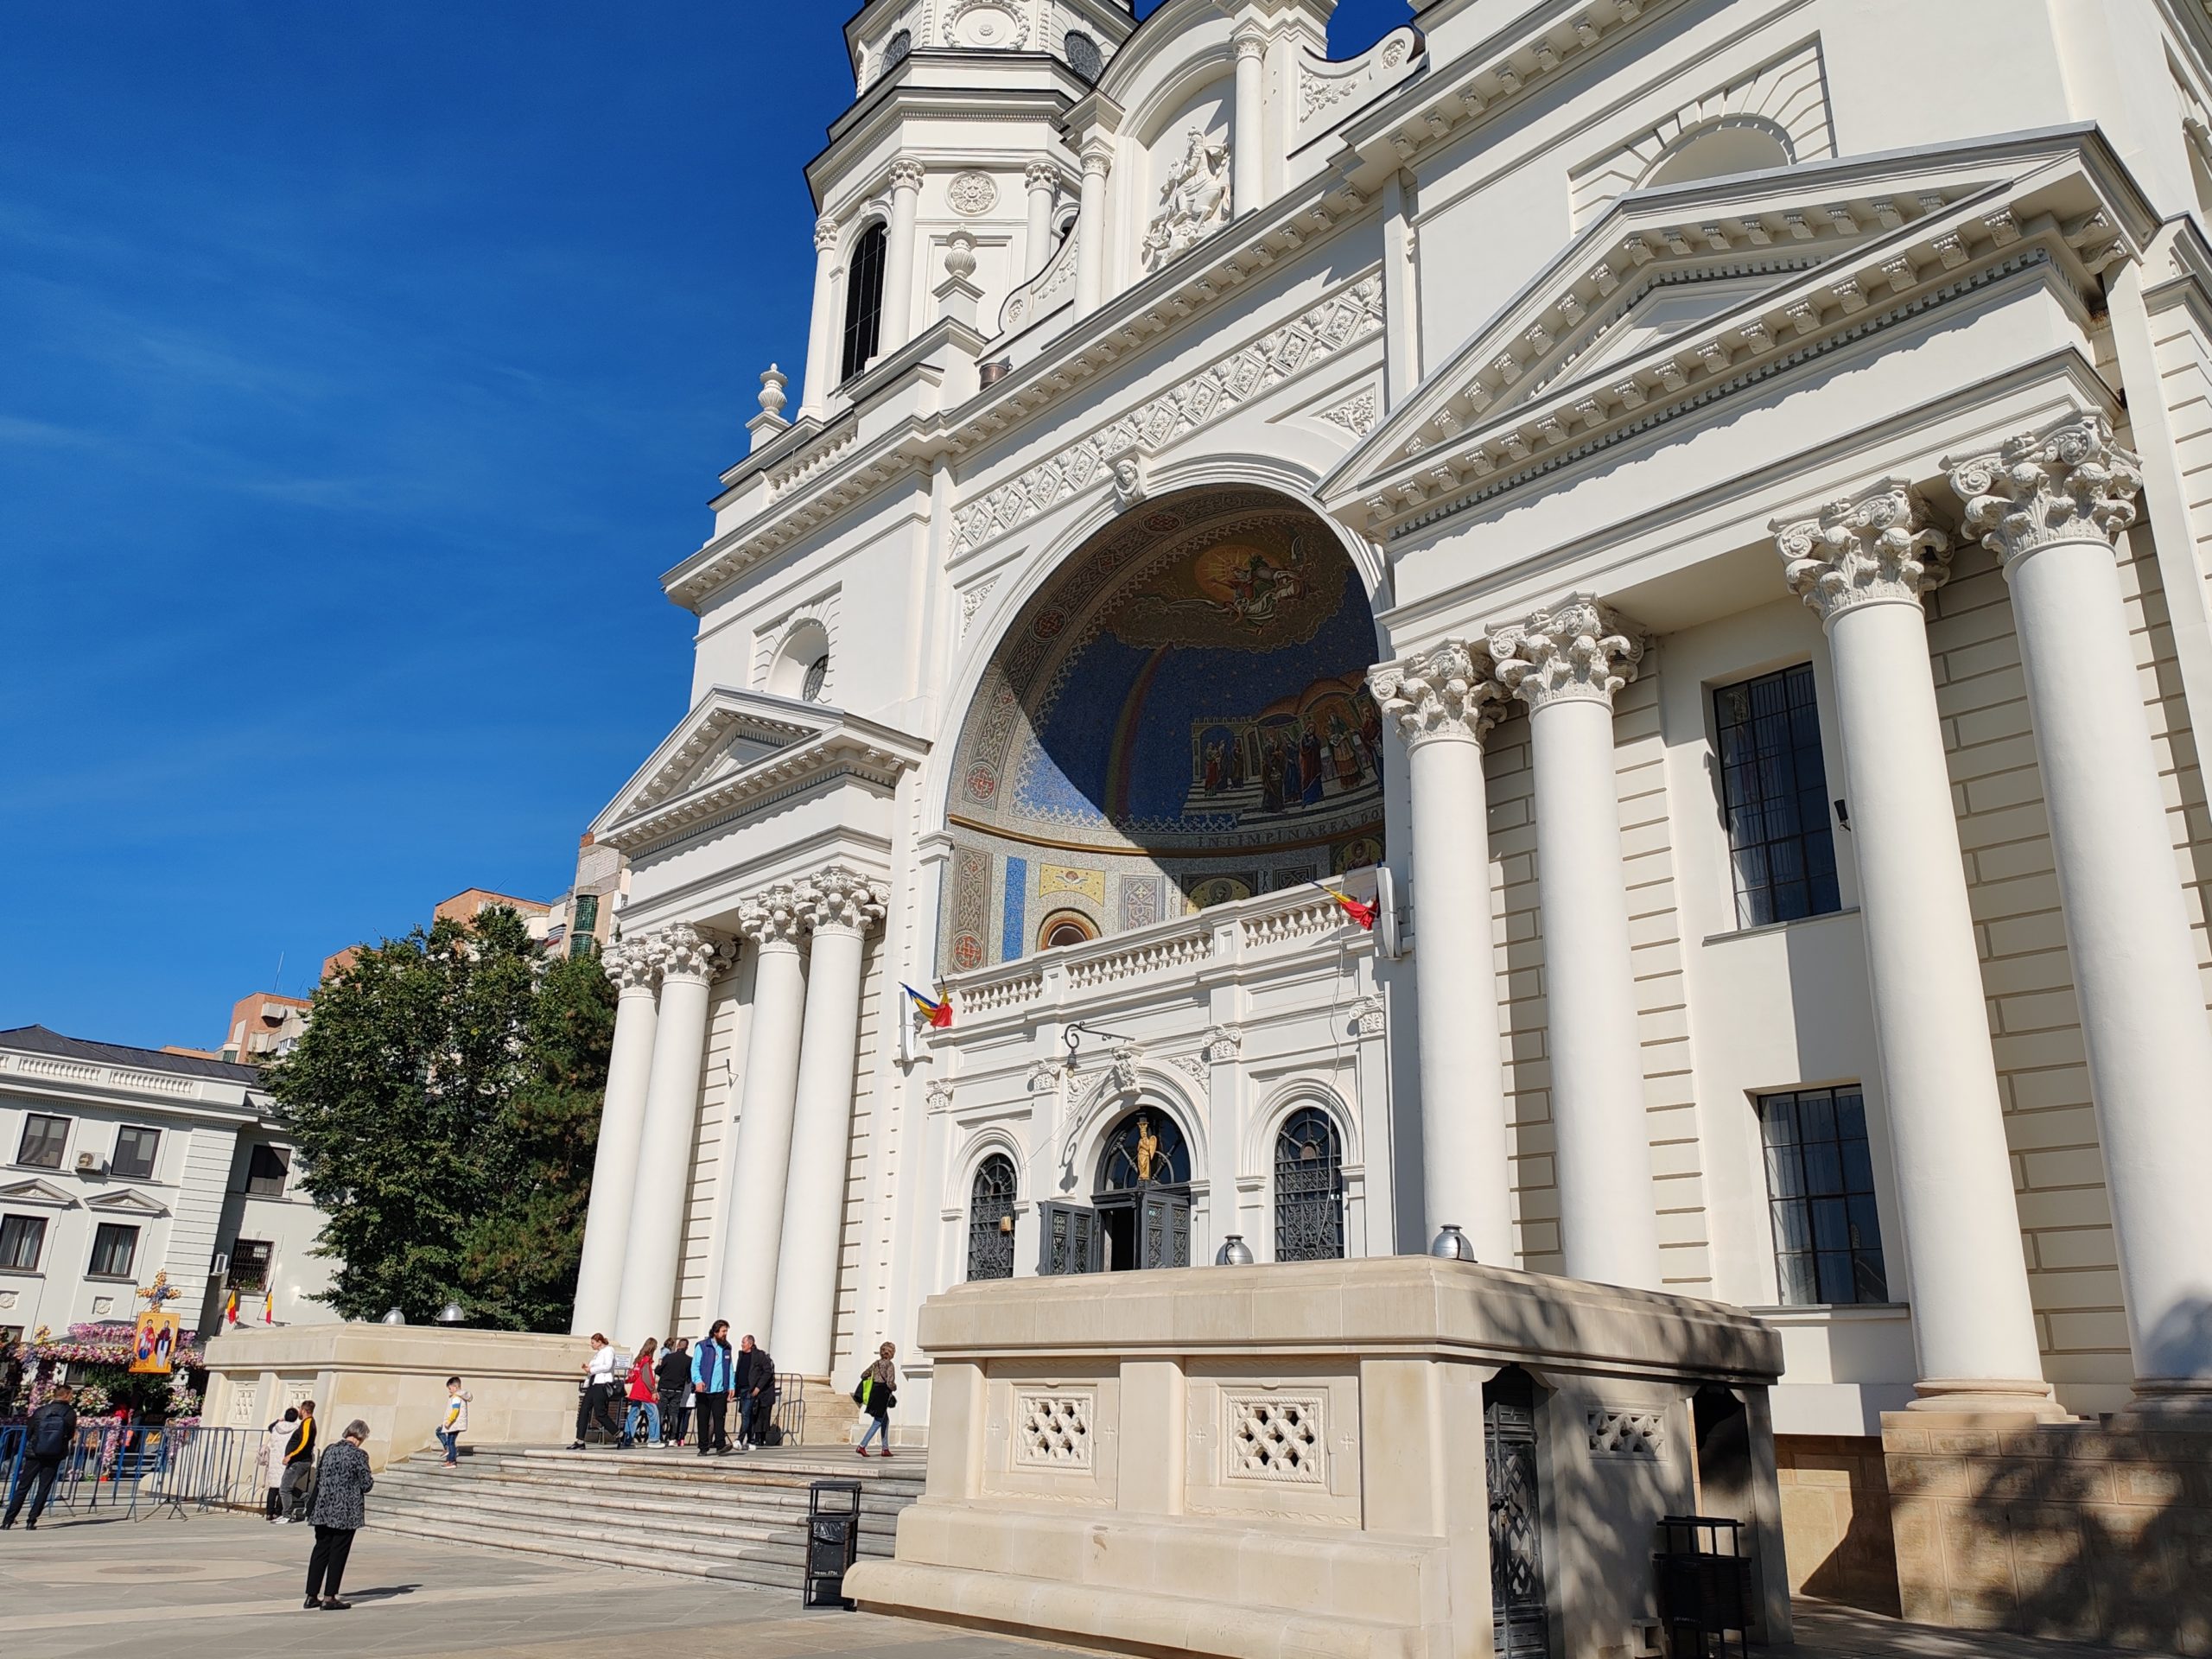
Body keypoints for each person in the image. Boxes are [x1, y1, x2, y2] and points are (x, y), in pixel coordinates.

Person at [302, 1420, 374, 1611]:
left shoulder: (329, 1450)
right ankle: (329, 1596)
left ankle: (311, 1595)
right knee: (338, 1553)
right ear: (360, 1437)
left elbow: (319, 1478)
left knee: (320, 1551)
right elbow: (367, 1484)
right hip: (345, 1511)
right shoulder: (359, 1455)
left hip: (323, 1508)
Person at [2, 1383, 76, 1530]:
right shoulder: (69, 1413)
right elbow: (69, 1435)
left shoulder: (41, 1411)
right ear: (67, 1395)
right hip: (54, 1453)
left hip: (34, 1452)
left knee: (23, 1486)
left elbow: (30, 1432)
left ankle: (8, 1520)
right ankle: (31, 1520)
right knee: (44, 1487)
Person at [569, 1332, 620, 1450]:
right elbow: (592, 1369)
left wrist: (592, 1369)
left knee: (600, 1414)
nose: (591, 1345)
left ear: (599, 1342)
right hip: (593, 1385)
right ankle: (580, 1440)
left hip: (602, 1385)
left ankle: (618, 1434)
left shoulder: (609, 1351)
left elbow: (607, 1366)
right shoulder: (597, 1354)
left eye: (593, 1343)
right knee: (583, 1411)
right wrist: (588, 1368)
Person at [691, 1320, 734, 1457]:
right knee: (703, 1418)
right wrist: (698, 1380)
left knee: (719, 1417)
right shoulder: (702, 1346)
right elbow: (695, 1366)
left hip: (720, 1389)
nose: (725, 1334)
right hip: (705, 1389)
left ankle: (720, 1445)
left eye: (726, 1331)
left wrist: (731, 1385)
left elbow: (730, 1368)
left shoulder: (727, 1348)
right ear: (715, 1332)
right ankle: (703, 1447)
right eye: (723, 1331)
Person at [853, 1343, 899, 1459]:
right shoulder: (890, 1365)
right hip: (883, 1394)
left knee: (885, 1420)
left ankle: (885, 1448)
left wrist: (872, 1379)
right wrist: (894, 1387)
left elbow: (863, 1374)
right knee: (878, 1421)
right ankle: (862, 1445)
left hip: (874, 1392)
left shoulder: (876, 1364)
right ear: (892, 1353)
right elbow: (890, 1382)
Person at [734, 1335, 777, 1452]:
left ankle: (740, 1439)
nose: (742, 1344)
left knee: (746, 1414)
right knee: (747, 1415)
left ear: (750, 1344)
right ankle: (750, 1441)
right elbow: (739, 1371)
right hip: (741, 1389)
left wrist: (758, 1387)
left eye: (743, 1342)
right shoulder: (741, 1355)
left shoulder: (759, 1355)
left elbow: (767, 1372)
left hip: (751, 1390)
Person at [281, 1400, 318, 1522]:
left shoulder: (308, 1423)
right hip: (298, 1460)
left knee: (285, 1488)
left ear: (304, 1410)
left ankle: (286, 1515)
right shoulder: (306, 1423)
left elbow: (304, 1443)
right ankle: (307, 1497)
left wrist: (290, 1455)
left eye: (300, 1409)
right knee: (287, 1486)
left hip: (299, 1461)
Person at [622, 1338, 660, 1449]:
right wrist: (653, 1390)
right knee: (653, 1413)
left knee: (633, 1414)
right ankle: (654, 1439)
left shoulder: (638, 1359)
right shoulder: (646, 1360)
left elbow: (635, 1375)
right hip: (644, 1390)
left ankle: (627, 1439)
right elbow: (647, 1377)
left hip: (636, 1389)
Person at [261, 1408, 299, 1520]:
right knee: (284, 1488)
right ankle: (278, 1512)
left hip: (274, 1460)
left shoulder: (276, 1427)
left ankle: (269, 1513)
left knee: (273, 1487)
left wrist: (279, 1421)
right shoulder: (296, 1429)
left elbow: (269, 1427)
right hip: (287, 1459)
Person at [655, 1337, 691, 1448]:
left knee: (660, 1413)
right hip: (677, 1389)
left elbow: (658, 1371)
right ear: (687, 1347)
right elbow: (689, 1377)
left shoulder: (668, 1357)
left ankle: (657, 1436)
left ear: (678, 1346)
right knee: (673, 1414)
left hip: (664, 1387)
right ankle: (672, 1438)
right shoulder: (689, 1360)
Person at [436, 1378, 470, 1469]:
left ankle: (452, 1461)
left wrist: (449, 1421)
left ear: (455, 1387)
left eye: (450, 1388)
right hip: (455, 1423)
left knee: (449, 1441)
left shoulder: (456, 1397)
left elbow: (455, 1411)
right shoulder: (457, 1396)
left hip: (454, 1423)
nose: (449, 1390)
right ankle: (449, 1457)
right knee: (442, 1433)